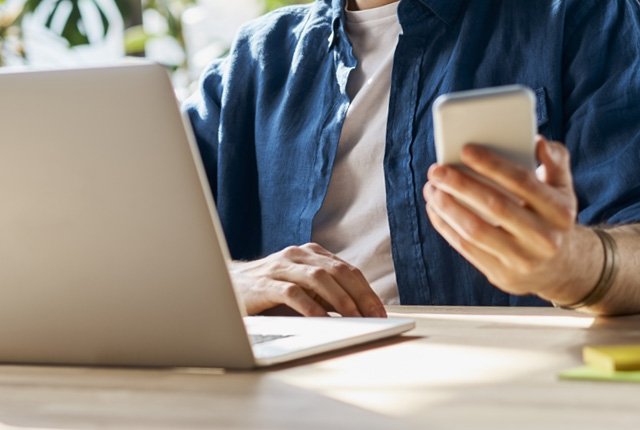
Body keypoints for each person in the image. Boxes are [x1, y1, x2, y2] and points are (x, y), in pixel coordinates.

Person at [183, 0, 640, 317]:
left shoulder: (581, 16)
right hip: (290, 392)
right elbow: (130, 259)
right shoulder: (255, 61)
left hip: (494, 391)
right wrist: (226, 284)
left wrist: (571, 266)